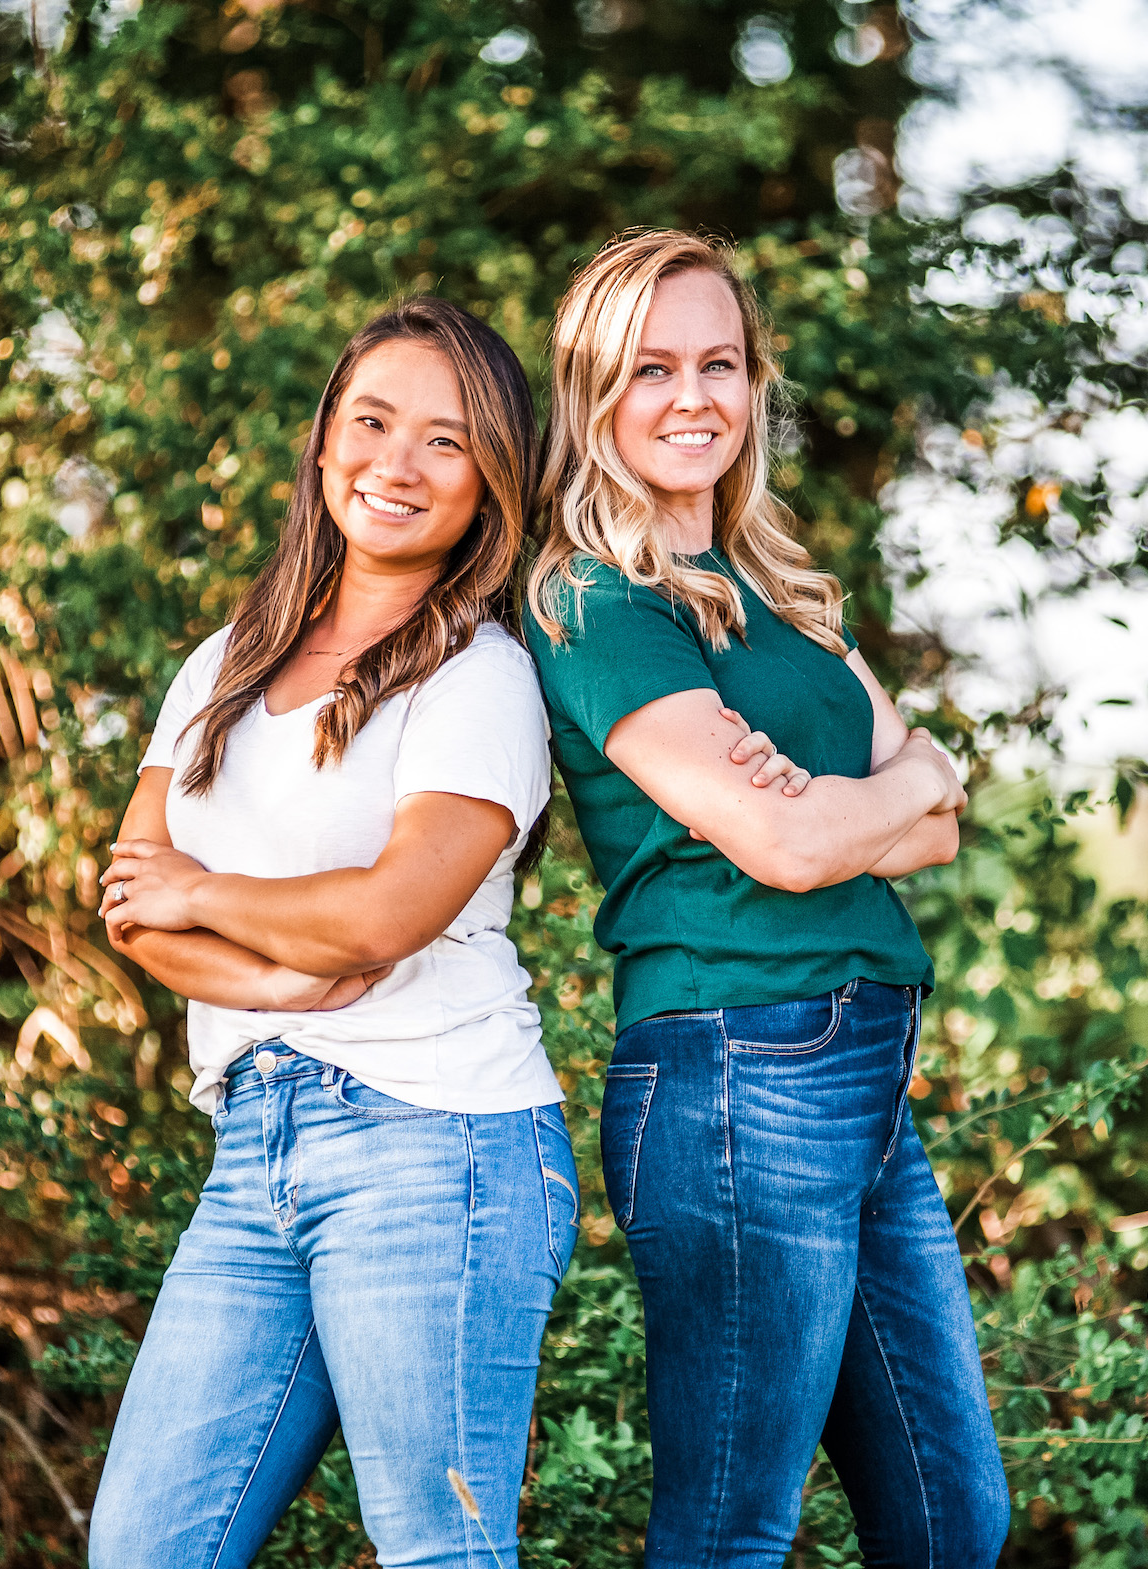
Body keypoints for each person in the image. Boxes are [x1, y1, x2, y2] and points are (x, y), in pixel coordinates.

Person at [522, 230, 1009, 1568]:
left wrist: (874, 794)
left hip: (862, 1073)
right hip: (740, 1071)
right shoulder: (595, 600)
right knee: (734, 1529)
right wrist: (886, 787)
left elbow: (936, 827)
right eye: (651, 368)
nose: (694, 398)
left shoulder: (781, 590)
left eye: (720, 363)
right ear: (594, 394)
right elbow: (798, 849)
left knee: (952, 1516)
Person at [87, 296, 578, 1569]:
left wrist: (212, 897)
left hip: (440, 1147)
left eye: (447, 442)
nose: (397, 464)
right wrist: (273, 954)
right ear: (323, 445)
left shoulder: (481, 678)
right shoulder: (226, 664)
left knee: (440, 1554)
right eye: (373, 422)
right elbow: (136, 902)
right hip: (253, 1147)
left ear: (493, 487)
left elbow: (387, 913)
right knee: (146, 1550)